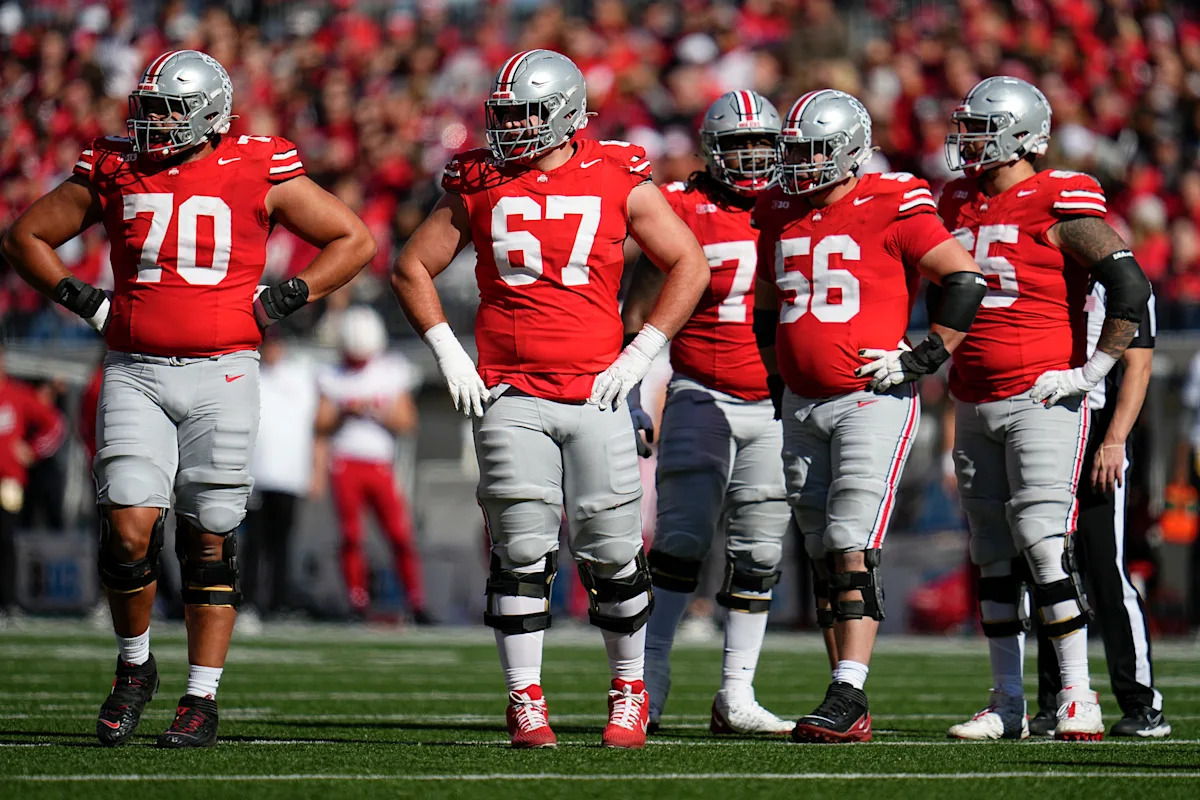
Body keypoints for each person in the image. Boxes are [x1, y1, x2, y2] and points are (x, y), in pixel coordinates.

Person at [0, 49, 374, 748]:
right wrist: (89, 302)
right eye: (149, 107)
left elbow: (353, 238)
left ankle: (201, 698)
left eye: (170, 108)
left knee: (211, 541)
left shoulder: (259, 162)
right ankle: (135, 667)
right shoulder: (114, 164)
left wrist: (283, 299)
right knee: (127, 529)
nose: (155, 122)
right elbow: (26, 236)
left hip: (224, 374)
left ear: (210, 112)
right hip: (136, 368)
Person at [390, 49, 708, 750]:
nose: (511, 127)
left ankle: (630, 691)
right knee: (520, 547)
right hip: (510, 390)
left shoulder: (619, 172)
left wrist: (643, 350)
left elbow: (689, 261)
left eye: (526, 112)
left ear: (567, 112)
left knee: (614, 551)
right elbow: (411, 264)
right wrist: (449, 352)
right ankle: (524, 700)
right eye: (503, 114)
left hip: (597, 389)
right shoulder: (477, 178)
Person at [754, 89, 985, 743]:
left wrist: (925, 355)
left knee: (850, 541)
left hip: (869, 398)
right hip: (802, 402)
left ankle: (848, 691)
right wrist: (778, 378)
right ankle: (842, 694)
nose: (800, 164)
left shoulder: (895, 200)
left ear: (852, 150)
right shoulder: (779, 209)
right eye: (793, 151)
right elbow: (768, 303)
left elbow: (964, 279)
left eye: (814, 151)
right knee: (824, 550)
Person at [939, 76, 1151, 741]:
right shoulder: (956, 199)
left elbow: (1129, 285)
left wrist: (1091, 372)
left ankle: (1081, 698)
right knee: (993, 555)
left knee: (1044, 545)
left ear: (1018, 133)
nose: (966, 140)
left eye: (979, 128)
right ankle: (1007, 703)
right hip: (974, 396)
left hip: (1042, 393)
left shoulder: (1059, 195)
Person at [622, 90, 793, 736]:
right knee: (680, 541)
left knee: (757, 549)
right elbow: (637, 313)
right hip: (700, 390)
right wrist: (635, 396)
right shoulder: (680, 208)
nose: (751, 157)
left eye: (761, 144)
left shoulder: (797, 209)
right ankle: (650, 681)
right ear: (710, 150)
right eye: (738, 144)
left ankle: (735, 694)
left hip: (775, 403)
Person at [1027, 286, 1168, 737]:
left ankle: (1141, 702)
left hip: (1096, 431)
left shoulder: (1122, 280)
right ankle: (1054, 700)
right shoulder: (1044, 267)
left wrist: (1114, 439)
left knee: (1106, 571)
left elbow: (1138, 367)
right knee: (1050, 571)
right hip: (1044, 427)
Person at [314, 305, 430, 623]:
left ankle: (415, 599)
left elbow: (407, 421)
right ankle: (357, 600)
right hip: (345, 463)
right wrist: (344, 412)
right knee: (351, 535)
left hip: (380, 464)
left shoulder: (391, 370)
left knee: (399, 534)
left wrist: (372, 410)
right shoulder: (332, 374)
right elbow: (321, 423)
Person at [243, 329, 320, 624]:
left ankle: (277, 603)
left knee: (283, 544)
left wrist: (315, 469)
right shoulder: (252, 375)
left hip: (289, 476)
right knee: (254, 544)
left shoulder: (301, 375)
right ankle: (250, 601)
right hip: (256, 475)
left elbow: (320, 421)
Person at [0, 345, 67, 618]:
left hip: (8, 481)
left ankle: (7, 601)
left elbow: (54, 425)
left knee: (5, 540)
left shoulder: (15, 395)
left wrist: (33, 450)